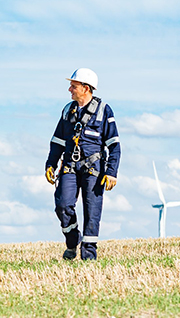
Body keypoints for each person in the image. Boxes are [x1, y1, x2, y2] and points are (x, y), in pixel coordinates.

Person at [45, 68, 121, 261]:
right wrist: (50, 164)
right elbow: (58, 141)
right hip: (69, 167)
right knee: (62, 205)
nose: (70, 89)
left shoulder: (104, 110)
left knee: (92, 212)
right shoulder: (67, 110)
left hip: (94, 170)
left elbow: (114, 145)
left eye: (74, 86)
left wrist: (111, 172)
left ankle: (89, 258)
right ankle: (72, 241)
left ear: (86, 88)